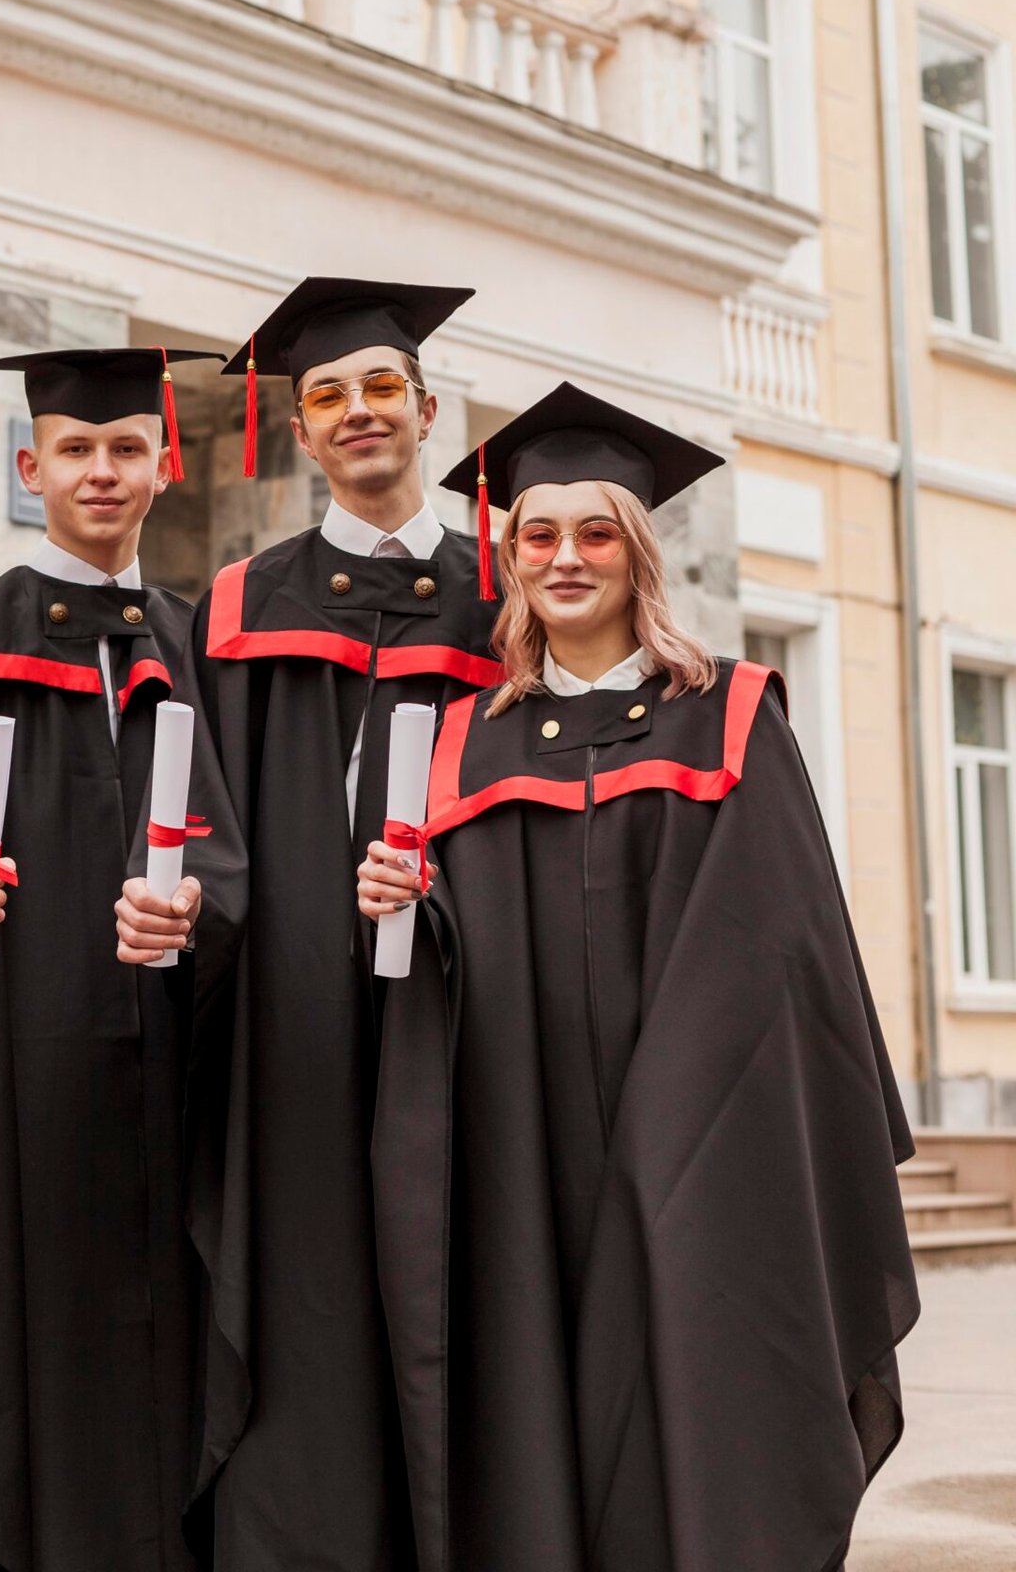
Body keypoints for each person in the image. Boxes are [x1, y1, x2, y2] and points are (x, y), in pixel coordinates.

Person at [357, 381, 920, 1572]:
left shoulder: (726, 716)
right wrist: (413, 910)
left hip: (692, 1146)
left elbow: (778, 943)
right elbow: (440, 972)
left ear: (637, 552)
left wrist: (671, 1123)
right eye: (539, 535)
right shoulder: (466, 741)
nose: (566, 559)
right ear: (508, 558)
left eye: (595, 531)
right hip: (518, 1142)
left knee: (685, 1398)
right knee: (533, 1393)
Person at [116, 279, 502, 1572]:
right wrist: (181, 909)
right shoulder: (240, 605)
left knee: (472, 1302)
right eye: (325, 396)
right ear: (299, 435)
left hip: (470, 1030)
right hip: (293, 1032)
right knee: (305, 1318)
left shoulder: (508, 601)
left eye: (379, 387)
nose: (355, 413)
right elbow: (202, 825)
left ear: (429, 409)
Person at [0, 345, 218, 1572]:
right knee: (26, 1332)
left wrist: (196, 909)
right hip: (11, 1058)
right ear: (30, 469)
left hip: (169, 1072)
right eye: (75, 450)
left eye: (127, 448)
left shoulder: (194, 639)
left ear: (164, 465)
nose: (103, 471)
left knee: (165, 1332)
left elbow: (229, 840)